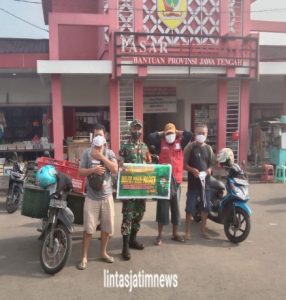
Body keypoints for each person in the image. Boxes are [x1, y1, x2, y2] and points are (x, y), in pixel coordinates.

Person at [77, 124, 118, 270]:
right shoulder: (87, 153)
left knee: (107, 228)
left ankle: (103, 253)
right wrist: (93, 169)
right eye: (96, 135)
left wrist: (101, 156)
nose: (98, 137)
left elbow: (115, 169)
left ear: (105, 136)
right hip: (92, 197)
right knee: (88, 229)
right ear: (92, 137)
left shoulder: (109, 152)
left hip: (107, 197)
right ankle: (84, 257)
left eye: (100, 134)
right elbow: (80, 172)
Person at [148, 123, 192, 245]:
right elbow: (150, 137)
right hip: (164, 181)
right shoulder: (160, 144)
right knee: (162, 208)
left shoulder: (180, 143)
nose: (170, 135)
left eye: (171, 133)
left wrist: (177, 131)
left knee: (176, 209)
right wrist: (163, 133)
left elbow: (189, 134)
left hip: (177, 181)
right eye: (168, 133)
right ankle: (159, 235)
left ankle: (175, 234)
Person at [119, 119, 151, 260]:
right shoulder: (124, 146)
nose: (136, 131)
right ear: (130, 130)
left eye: (138, 129)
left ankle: (133, 239)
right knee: (128, 216)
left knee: (139, 214)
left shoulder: (145, 147)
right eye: (134, 129)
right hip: (129, 188)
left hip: (142, 189)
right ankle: (125, 247)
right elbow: (118, 163)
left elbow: (149, 164)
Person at [183, 124, 215, 240]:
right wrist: (192, 170)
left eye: (203, 133)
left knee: (205, 208)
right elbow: (183, 164)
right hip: (193, 185)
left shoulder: (209, 149)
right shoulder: (190, 147)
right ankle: (187, 232)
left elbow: (212, 164)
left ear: (206, 134)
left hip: (205, 184)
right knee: (189, 208)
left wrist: (210, 170)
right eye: (199, 133)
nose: (201, 135)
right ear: (195, 134)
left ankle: (203, 231)